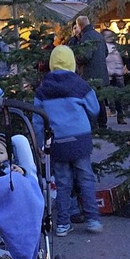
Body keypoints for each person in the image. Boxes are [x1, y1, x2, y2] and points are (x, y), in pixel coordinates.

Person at [32, 45, 103, 236]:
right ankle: (93, 219)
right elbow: (94, 109)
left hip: (58, 142)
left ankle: (63, 224)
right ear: (71, 62)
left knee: (63, 183)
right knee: (86, 179)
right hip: (80, 139)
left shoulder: (43, 88)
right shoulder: (80, 85)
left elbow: (37, 120)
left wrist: (40, 144)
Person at [75, 15, 110, 129]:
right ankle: (103, 123)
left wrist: (76, 58)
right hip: (102, 73)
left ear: (80, 26)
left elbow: (85, 56)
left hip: (90, 74)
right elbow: (106, 52)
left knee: (91, 100)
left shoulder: (86, 37)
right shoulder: (99, 35)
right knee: (100, 100)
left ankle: (93, 125)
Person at [101, 28, 127, 124]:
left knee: (119, 97)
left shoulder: (116, 47)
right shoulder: (103, 47)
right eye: (106, 35)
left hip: (118, 74)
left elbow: (120, 59)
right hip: (109, 74)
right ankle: (109, 113)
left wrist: (122, 68)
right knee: (109, 96)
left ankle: (120, 116)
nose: (108, 37)